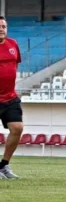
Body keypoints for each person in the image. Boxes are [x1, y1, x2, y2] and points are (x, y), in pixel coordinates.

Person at [0, 16, 23, 179]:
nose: (2, 29)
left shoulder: (13, 44)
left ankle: (3, 166)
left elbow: (16, 65)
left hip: (10, 98)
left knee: (17, 128)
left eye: (4, 26)